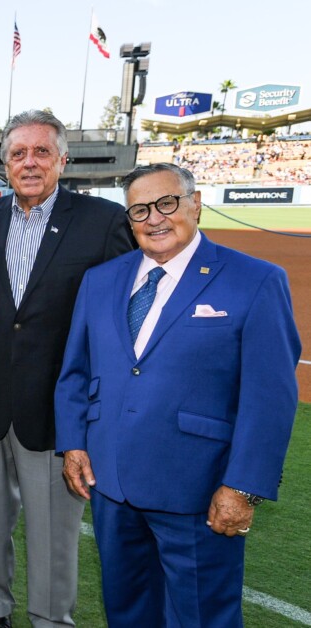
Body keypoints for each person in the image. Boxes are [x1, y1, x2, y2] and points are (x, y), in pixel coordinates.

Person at [55, 163, 301, 627]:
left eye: (166, 203)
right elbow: (75, 372)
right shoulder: (102, 280)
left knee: (202, 617)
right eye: (139, 210)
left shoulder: (255, 280)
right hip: (112, 485)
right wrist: (73, 444)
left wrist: (243, 487)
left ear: (196, 204)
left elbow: (270, 397)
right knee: (128, 613)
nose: (154, 219)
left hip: (198, 490)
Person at [0, 109, 133, 628]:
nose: (29, 162)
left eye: (40, 152)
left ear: (62, 159)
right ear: (4, 162)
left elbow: (119, 324)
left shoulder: (103, 222)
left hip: (59, 413)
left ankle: (51, 620)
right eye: (18, 153)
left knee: (54, 534)